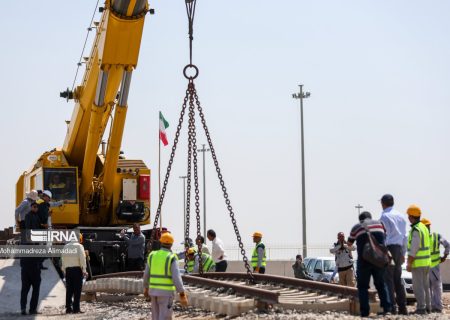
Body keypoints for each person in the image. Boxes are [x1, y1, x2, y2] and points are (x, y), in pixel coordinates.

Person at [348, 211, 391, 317]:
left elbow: (349, 243)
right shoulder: (380, 224)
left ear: (360, 219)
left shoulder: (356, 227)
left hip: (364, 260)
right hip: (378, 259)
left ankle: (365, 312)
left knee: (362, 286)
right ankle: (387, 309)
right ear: (370, 217)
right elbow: (385, 236)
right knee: (381, 284)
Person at [143, 232, 188, 320]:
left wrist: (146, 288)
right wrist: (182, 294)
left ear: (161, 242)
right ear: (171, 244)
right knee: (164, 316)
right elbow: (176, 277)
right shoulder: (171, 257)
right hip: (166, 293)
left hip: (153, 291)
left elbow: (146, 274)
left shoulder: (152, 255)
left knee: (155, 316)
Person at [379, 194, 408, 315]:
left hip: (389, 249)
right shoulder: (401, 216)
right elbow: (405, 237)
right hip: (399, 249)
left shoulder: (384, 216)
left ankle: (391, 308)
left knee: (388, 279)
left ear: (382, 203)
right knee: (397, 279)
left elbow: (383, 236)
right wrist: (403, 252)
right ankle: (403, 308)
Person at [406, 205, 431, 314]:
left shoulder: (416, 230)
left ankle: (421, 308)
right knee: (425, 286)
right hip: (426, 262)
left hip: (418, 263)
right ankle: (427, 307)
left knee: (418, 287)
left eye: (408, 215)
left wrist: (409, 263)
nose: (408, 218)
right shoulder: (424, 227)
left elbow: (414, 249)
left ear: (411, 216)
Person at [421, 218, 449, 313]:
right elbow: (447, 245)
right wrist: (444, 256)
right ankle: (435, 307)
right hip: (432, 267)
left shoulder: (421, 238)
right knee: (435, 287)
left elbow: (448, 245)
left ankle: (432, 307)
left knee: (429, 287)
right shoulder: (436, 236)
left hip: (427, 266)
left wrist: (445, 256)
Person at [62, 232, 87, 314]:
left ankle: (68, 308)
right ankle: (76, 309)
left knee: (69, 290)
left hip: (68, 270)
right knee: (77, 290)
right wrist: (84, 270)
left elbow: (63, 260)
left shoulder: (65, 246)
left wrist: (65, 271)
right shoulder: (79, 246)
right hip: (77, 270)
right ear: (79, 239)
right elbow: (82, 259)